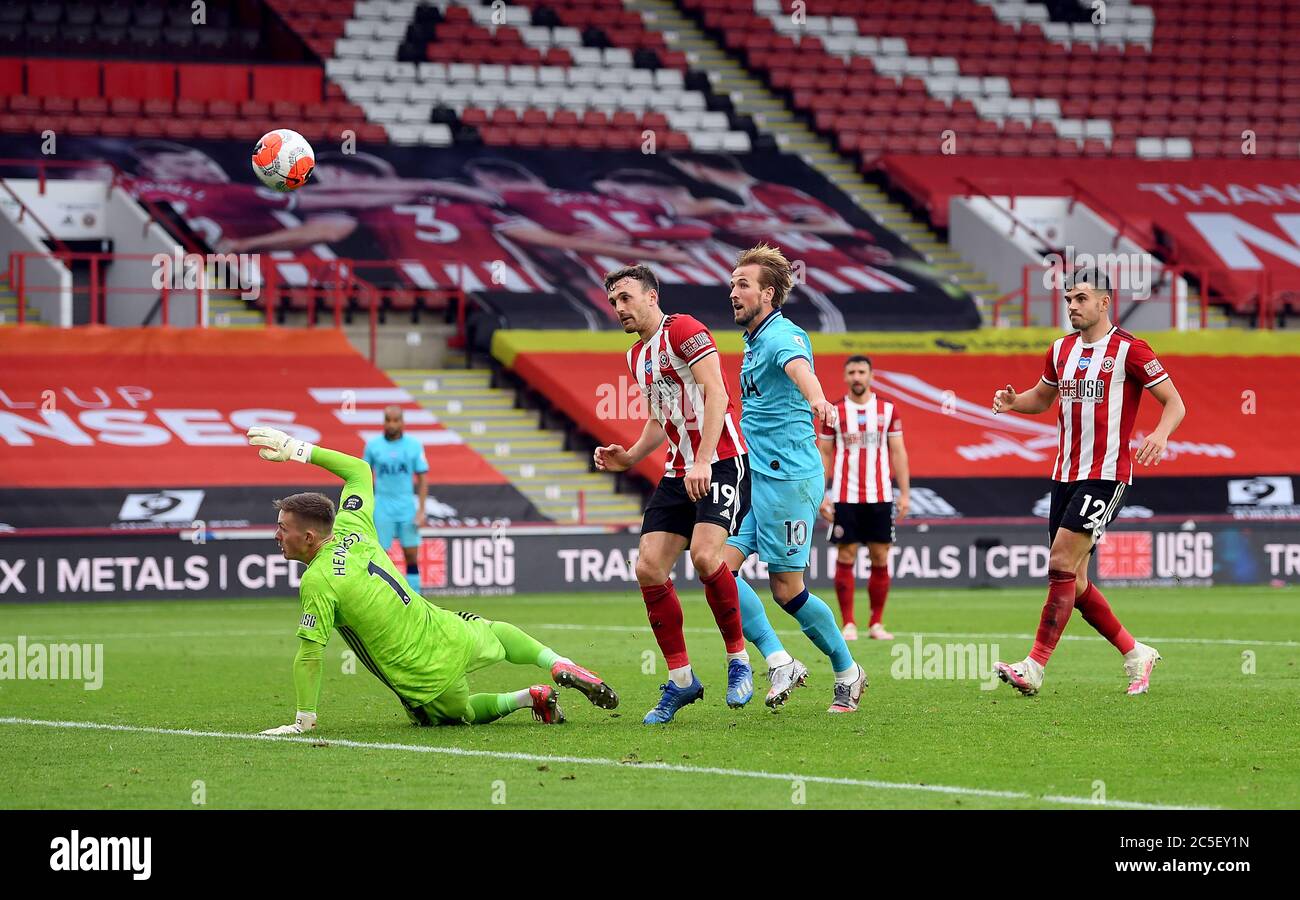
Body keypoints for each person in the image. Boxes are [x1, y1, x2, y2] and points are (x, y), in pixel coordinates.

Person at [246, 426, 617, 731]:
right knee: (495, 632)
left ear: (309, 537)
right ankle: (555, 661)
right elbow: (359, 470)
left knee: (460, 715)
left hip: (421, 675)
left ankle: (527, 697)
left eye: (282, 529)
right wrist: (297, 449)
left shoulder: (319, 580)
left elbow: (311, 654)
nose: (277, 535)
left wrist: (303, 721)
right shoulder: (353, 525)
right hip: (445, 629)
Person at [593, 264, 798, 723]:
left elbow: (717, 394)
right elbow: (657, 419)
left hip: (722, 460)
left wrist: (704, 458)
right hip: (678, 469)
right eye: (613, 303)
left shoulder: (683, 329)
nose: (619, 308)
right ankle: (682, 680)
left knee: (707, 557)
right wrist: (628, 456)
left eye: (626, 298)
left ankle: (739, 661)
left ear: (651, 296)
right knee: (647, 567)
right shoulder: (635, 356)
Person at [990, 269, 1186, 696]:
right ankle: (1136, 652)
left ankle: (1035, 665)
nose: (1072, 306)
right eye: (1068, 299)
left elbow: (1174, 401)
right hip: (1064, 474)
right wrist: (1012, 402)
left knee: (1060, 561)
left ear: (1104, 302)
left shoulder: (1131, 350)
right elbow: (1041, 399)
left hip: (1106, 474)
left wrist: (1159, 433)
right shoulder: (1060, 350)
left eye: (1081, 298)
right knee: (1073, 579)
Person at [720, 244, 868, 713]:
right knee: (713, 568)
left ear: (768, 293)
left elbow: (798, 369)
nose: (733, 292)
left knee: (786, 589)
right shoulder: (752, 340)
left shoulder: (783, 335)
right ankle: (780, 660)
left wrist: (820, 399)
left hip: (788, 481)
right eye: (732, 284)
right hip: (751, 477)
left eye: (743, 285)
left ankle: (847, 670)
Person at [818, 355, 910, 641]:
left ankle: (877, 623)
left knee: (880, 556)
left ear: (870, 375)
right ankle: (848, 623)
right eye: (852, 372)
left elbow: (898, 451)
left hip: (880, 496)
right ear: (845, 377)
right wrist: (821, 494)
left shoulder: (887, 409)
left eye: (862, 372)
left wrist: (905, 493)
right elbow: (824, 453)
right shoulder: (834, 411)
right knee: (846, 555)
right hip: (845, 496)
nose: (857, 377)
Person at [363, 405, 428, 591]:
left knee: (411, 555)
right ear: (383, 422)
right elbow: (364, 476)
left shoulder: (414, 445)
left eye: (395, 420)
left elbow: (423, 479)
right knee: (380, 555)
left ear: (402, 422)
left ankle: (416, 599)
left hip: (406, 506)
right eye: (388, 420)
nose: (391, 424)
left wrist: (421, 510)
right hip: (382, 505)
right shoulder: (373, 446)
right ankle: (381, 597)